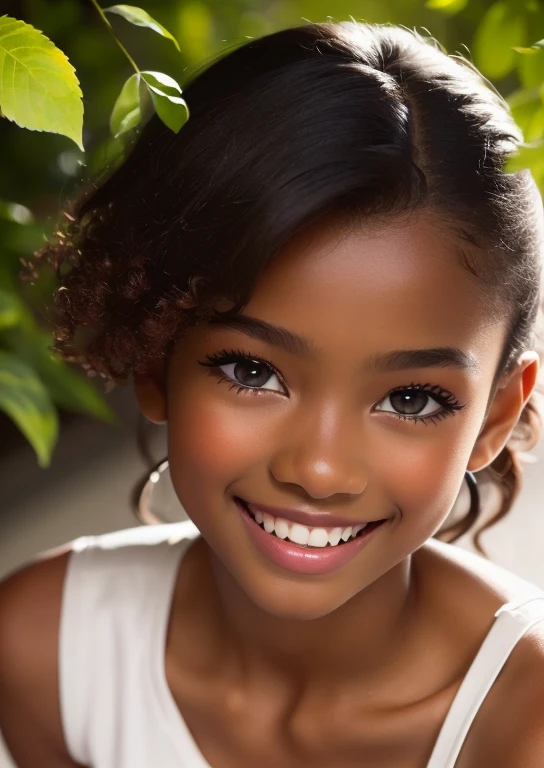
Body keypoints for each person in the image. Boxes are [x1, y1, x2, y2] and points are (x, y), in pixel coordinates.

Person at [1, 19, 544, 768]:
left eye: (412, 399)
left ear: (497, 415)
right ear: (156, 359)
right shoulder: (43, 652)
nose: (319, 471)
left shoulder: (526, 723)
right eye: (253, 372)